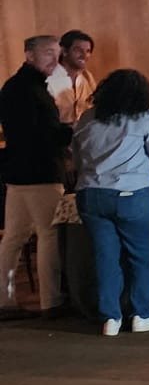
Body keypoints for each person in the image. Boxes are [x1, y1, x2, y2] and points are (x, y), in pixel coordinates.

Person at [71, 67, 149, 335]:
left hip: (91, 196)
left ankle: (110, 318)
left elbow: (77, 158)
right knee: (143, 257)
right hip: (130, 195)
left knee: (105, 257)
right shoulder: (144, 116)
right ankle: (142, 314)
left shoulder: (88, 117)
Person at [0, 35, 72, 314]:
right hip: (40, 171)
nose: (55, 59)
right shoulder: (29, 89)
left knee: (13, 238)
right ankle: (51, 301)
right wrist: (70, 132)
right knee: (49, 234)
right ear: (29, 55)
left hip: (18, 171)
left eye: (57, 53)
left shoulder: (18, 85)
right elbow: (38, 134)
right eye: (48, 53)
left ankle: (5, 300)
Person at [48, 29, 97, 125]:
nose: (84, 55)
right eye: (79, 50)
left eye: (88, 51)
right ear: (64, 51)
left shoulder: (87, 77)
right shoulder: (48, 79)